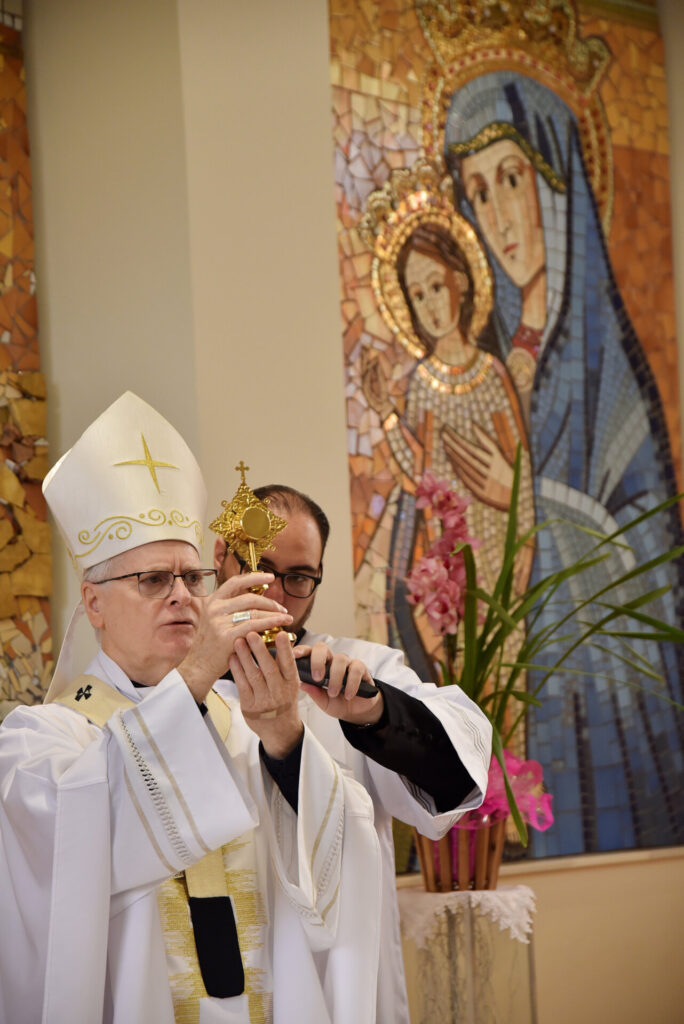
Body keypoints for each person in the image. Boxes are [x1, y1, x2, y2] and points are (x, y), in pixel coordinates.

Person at [0, 392, 383, 1024]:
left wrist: (288, 745)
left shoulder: (244, 723)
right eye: (153, 581)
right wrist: (200, 671)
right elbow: (75, 847)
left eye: (191, 577)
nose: (182, 596)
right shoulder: (40, 741)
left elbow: (344, 848)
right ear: (94, 605)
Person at [444, 70, 684, 855]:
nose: (500, 215)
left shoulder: (614, 382)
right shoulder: (492, 368)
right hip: (516, 702)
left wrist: (526, 503)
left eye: (513, 176)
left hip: (601, 711)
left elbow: (648, 571)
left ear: (562, 183)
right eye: (479, 192)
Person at [213, 483, 493, 1024]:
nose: (275, 593)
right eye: (258, 566)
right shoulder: (168, 686)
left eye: (298, 577)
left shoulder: (361, 670)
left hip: (338, 976)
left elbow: (457, 776)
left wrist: (374, 714)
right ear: (222, 558)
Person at [361, 217, 534, 687]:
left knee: (505, 673)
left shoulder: (492, 374)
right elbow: (418, 477)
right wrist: (388, 414)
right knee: (462, 680)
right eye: (417, 296)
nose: (431, 305)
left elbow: (521, 478)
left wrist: (522, 531)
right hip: (452, 559)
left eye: (436, 286)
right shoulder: (422, 383)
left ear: (459, 282)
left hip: (498, 547)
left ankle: (508, 765)